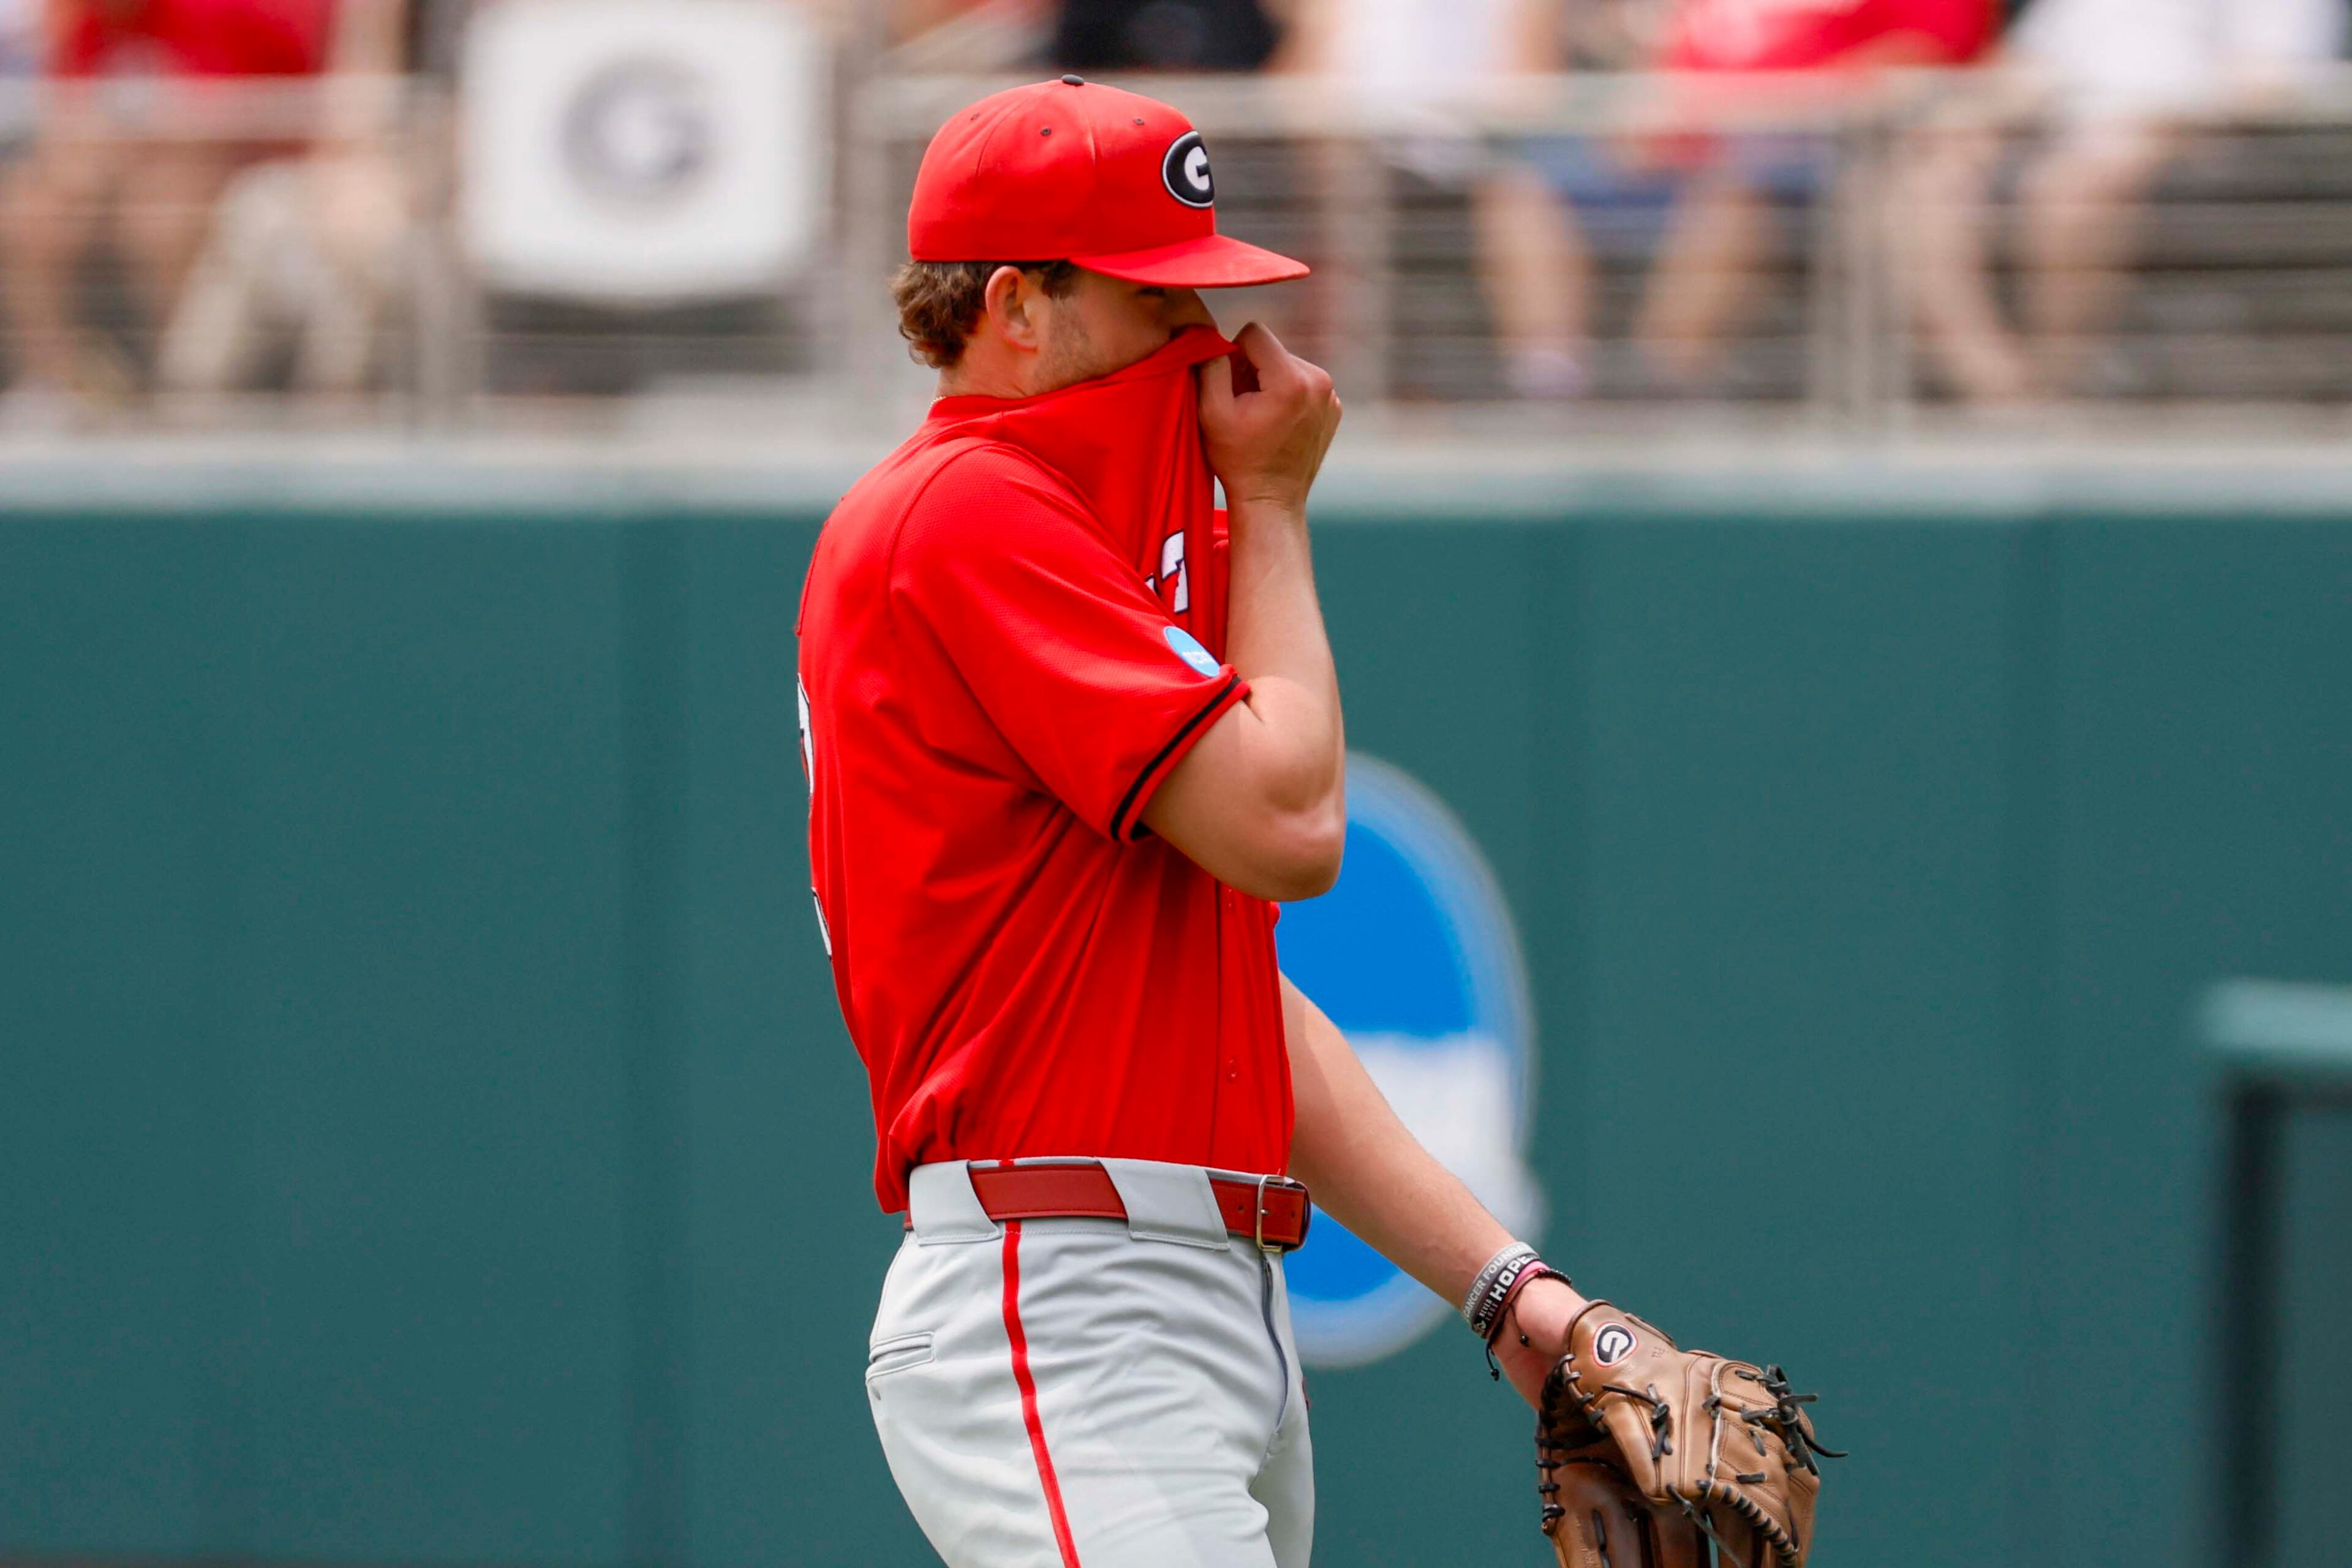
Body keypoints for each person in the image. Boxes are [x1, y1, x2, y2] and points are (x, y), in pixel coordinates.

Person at [797, 77, 1589, 1566]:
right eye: (1158, 300)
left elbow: (1237, 1005)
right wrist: (1275, 509)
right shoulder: (966, 507)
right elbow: (1294, 823)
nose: (1210, 343)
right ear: (1017, 304)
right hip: (1066, 1286)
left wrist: (1506, 1289)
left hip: (1194, 1285)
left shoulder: (1058, 530)